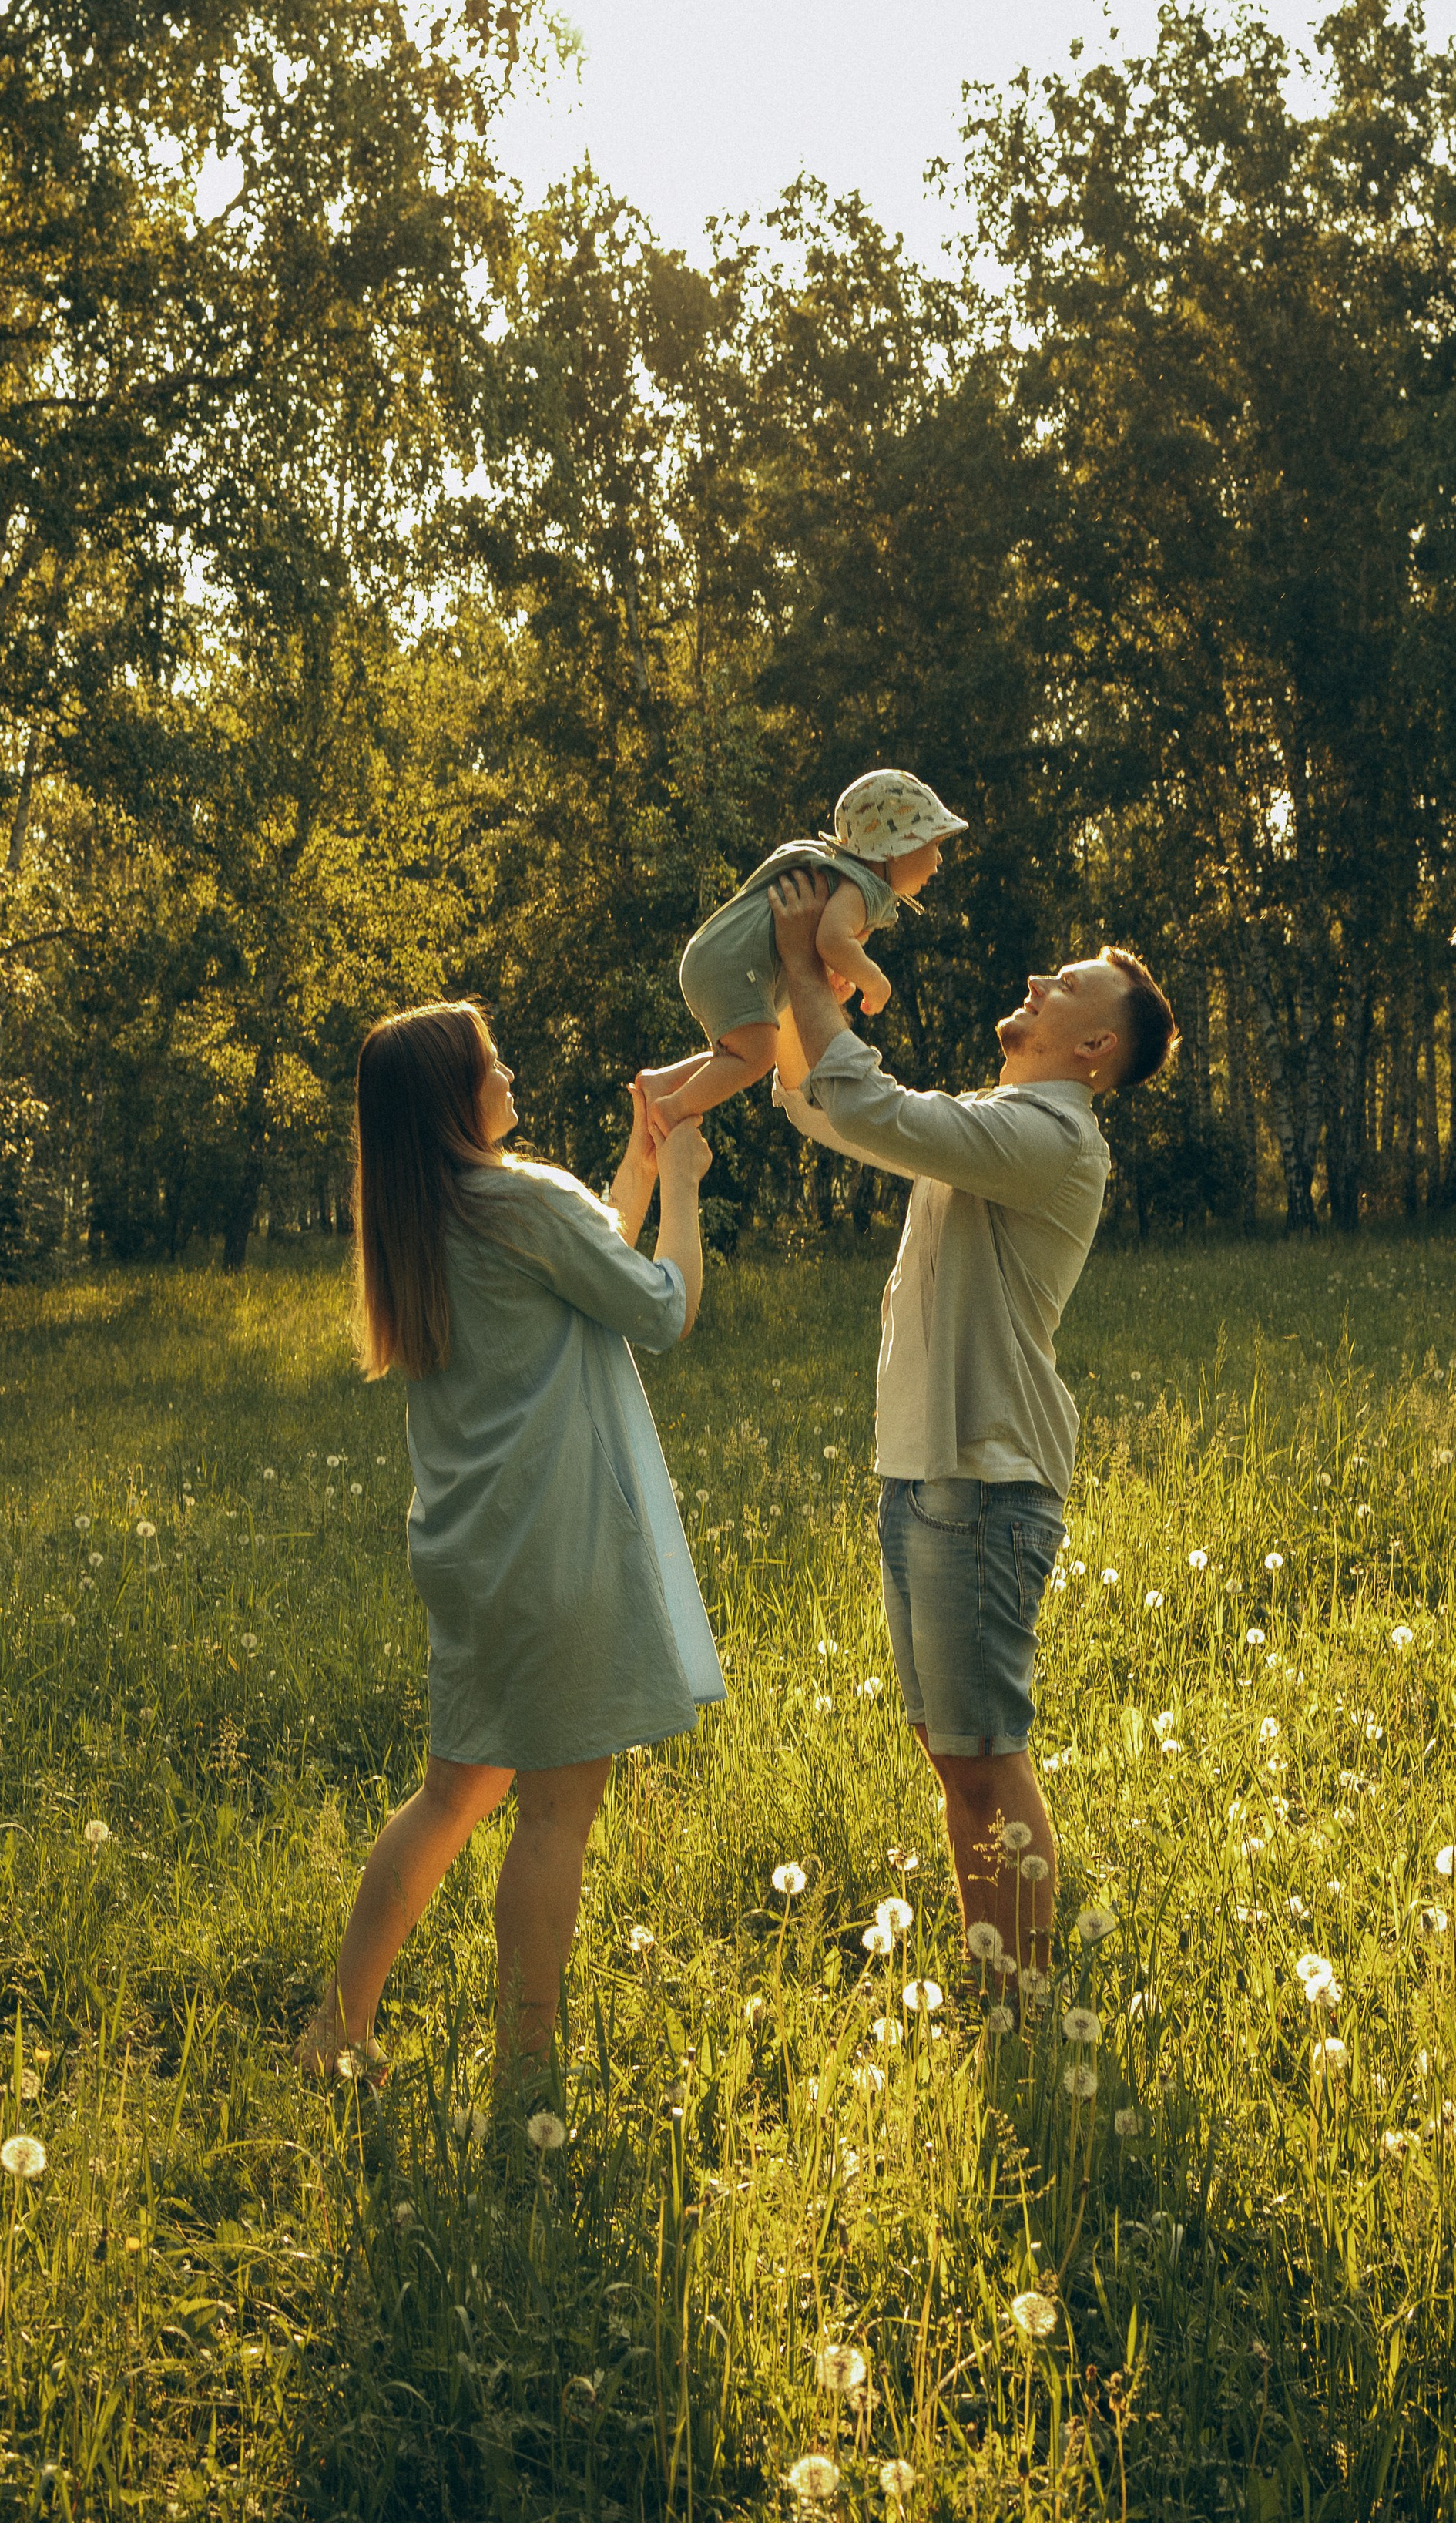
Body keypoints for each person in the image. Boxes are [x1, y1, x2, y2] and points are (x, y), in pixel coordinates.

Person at [299, 1002, 720, 2083]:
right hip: (559, 1551)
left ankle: (337, 2029)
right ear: (455, 1097)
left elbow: (585, 1256)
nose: (508, 1072)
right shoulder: (523, 1202)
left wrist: (638, 1162)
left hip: (474, 1555)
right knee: (555, 1816)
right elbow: (659, 1307)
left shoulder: (424, 1221)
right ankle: (527, 2068)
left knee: (454, 1794)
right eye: (491, 1063)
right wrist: (681, 1185)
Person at [767, 873, 1176, 1977]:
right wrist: (795, 981)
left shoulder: (1051, 1137)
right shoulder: (997, 1124)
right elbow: (824, 1104)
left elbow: (866, 1106)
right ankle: (994, 1976)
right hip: (926, 1474)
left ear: (1095, 1047)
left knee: (987, 1757)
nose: (1038, 981)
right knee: (952, 1752)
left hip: (985, 1485)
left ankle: (1025, 1994)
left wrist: (807, 963)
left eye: (1067, 986)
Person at [638, 769, 966, 1134]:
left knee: (739, 1052)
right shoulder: (863, 887)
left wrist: (836, 970)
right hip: (732, 966)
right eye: (934, 844)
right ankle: (673, 1110)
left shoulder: (830, 866)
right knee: (757, 1056)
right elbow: (832, 941)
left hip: (713, 955)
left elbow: (822, 938)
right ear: (894, 848)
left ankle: (662, 1083)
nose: (939, 860)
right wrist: (875, 982)